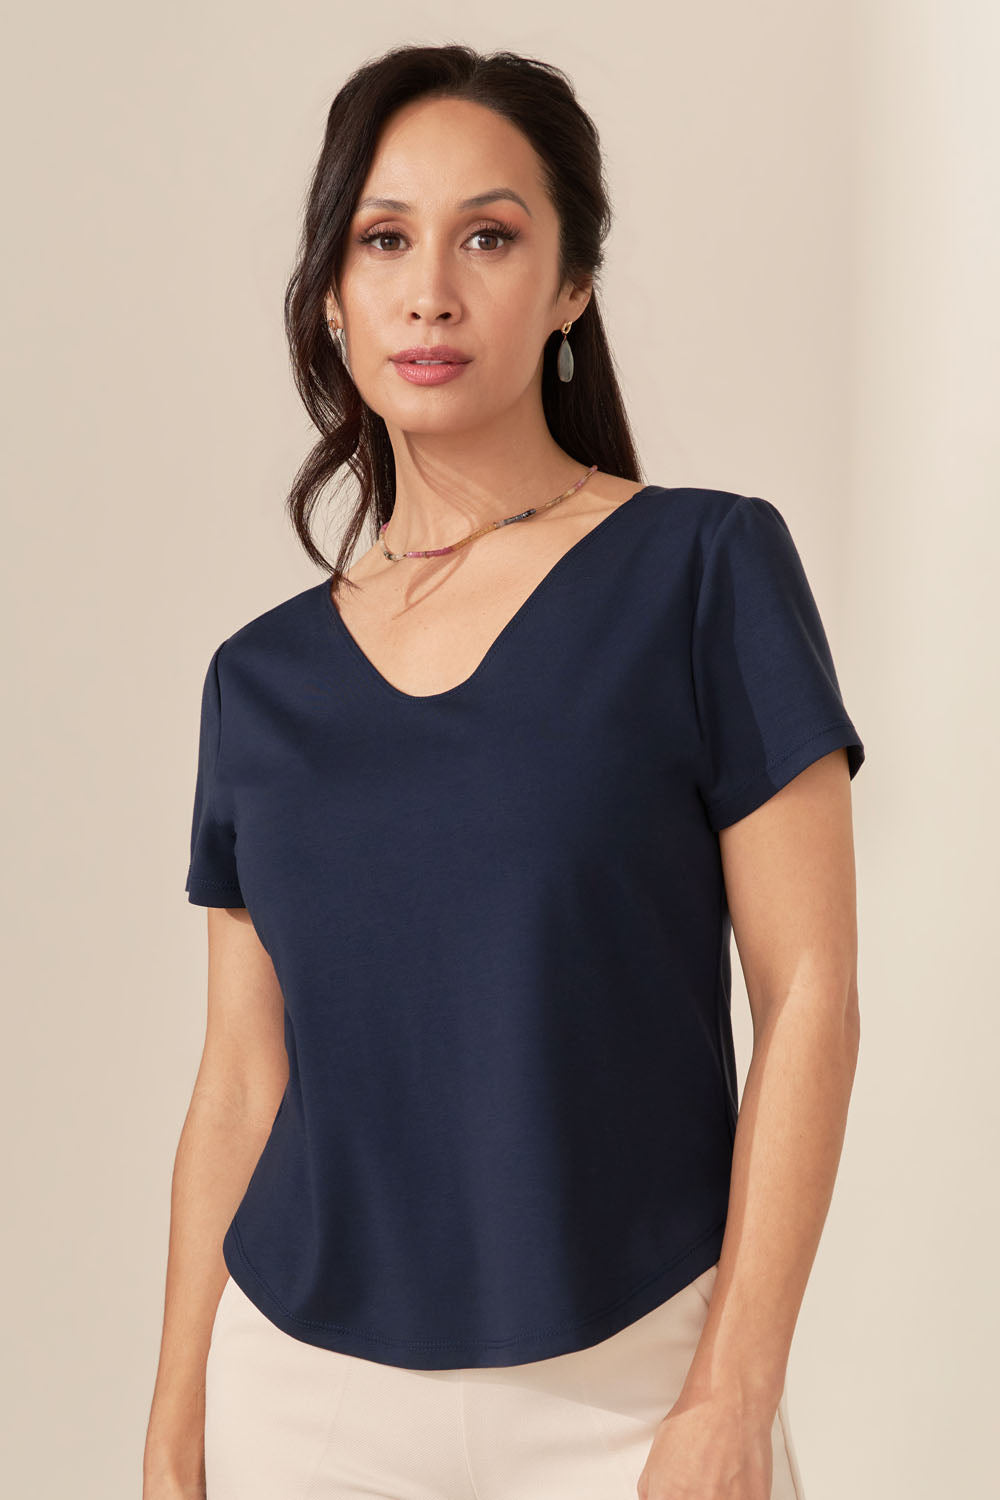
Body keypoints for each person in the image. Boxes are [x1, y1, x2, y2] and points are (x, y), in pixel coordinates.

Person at [143, 43, 865, 1500]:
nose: (430, 292)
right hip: (303, 1401)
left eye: (488, 237)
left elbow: (811, 996)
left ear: (571, 285)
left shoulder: (704, 570)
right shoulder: (259, 681)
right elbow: (240, 1077)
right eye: (383, 240)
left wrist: (735, 1392)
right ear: (332, 293)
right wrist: (175, 1428)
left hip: (635, 1389)